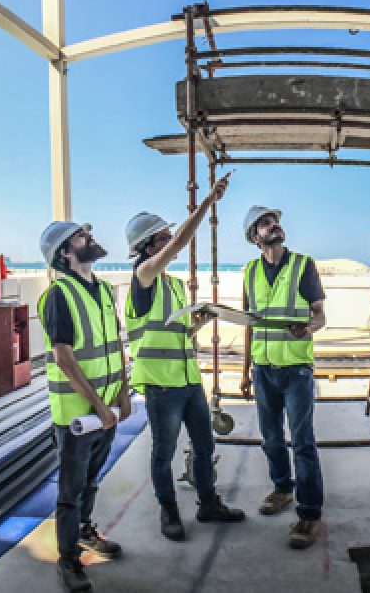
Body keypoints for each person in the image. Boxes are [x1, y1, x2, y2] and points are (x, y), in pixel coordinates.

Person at [124, 174, 246, 542]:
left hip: (189, 380)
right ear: (148, 248)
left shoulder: (173, 286)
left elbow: (176, 332)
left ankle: (208, 504)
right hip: (161, 384)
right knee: (164, 452)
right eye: (161, 239)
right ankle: (169, 511)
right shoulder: (143, 277)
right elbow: (180, 243)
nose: (169, 244)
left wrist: (198, 323)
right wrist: (210, 200)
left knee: (205, 444)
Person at [38, 221, 128, 592]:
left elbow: (115, 345)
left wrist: (122, 394)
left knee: (91, 479)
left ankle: (86, 531)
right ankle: (69, 560)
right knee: (71, 490)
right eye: (80, 237)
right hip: (77, 414)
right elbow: (64, 357)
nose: (89, 239)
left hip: (106, 407)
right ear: (64, 252)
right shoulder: (59, 295)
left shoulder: (104, 291)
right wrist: (98, 407)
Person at [237, 206, 328, 549]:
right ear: (254, 236)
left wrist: (308, 328)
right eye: (265, 223)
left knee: (302, 442)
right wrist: (245, 368)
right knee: (271, 438)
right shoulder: (249, 271)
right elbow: (249, 323)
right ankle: (282, 489)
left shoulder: (303, 265)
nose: (274, 226)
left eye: (275, 221)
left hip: (296, 369)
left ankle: (309, 513)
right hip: (263, 369)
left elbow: (320, 316)